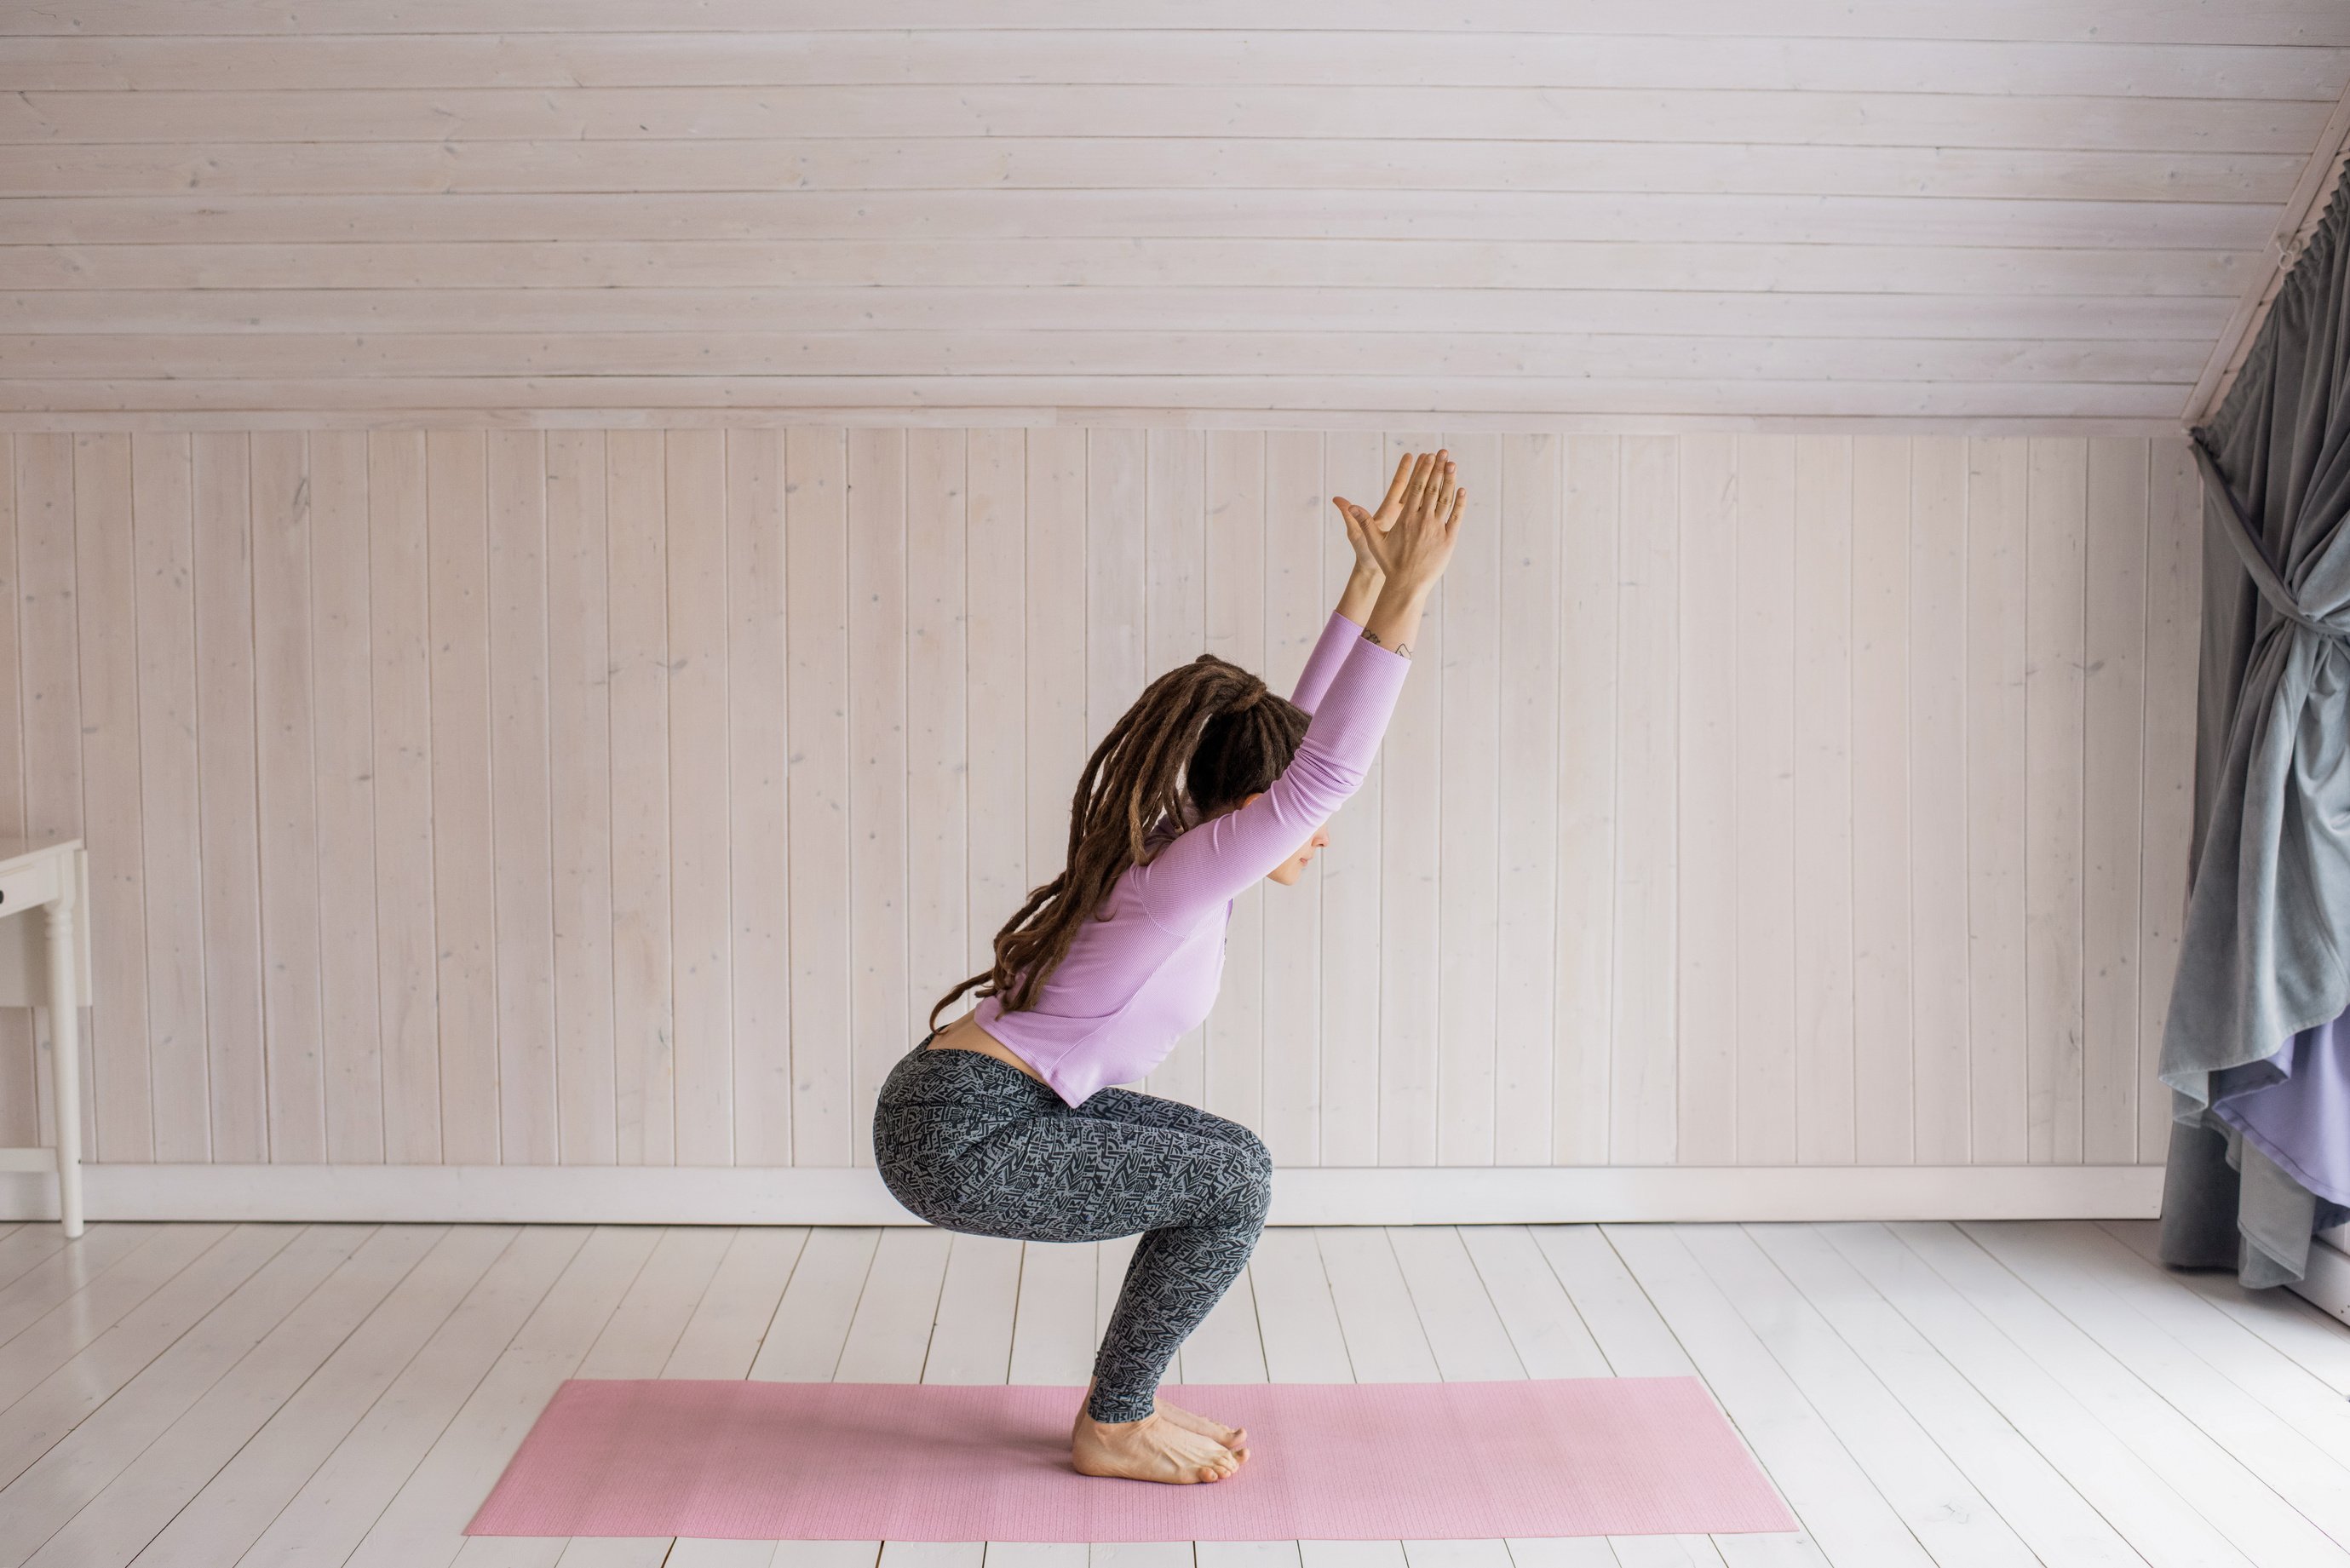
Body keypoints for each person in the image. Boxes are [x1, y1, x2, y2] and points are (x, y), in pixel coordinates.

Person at [871, 449, 1467, 1485]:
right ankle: (1114, 1420)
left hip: (984, 1102)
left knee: (1235, 1158)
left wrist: (1363, 585)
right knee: (1233, 1180)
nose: (1317, 833)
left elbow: (1299, 739)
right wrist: (1411, 593)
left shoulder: (1188, 848)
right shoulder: (1186, 871)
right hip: (959, 1130)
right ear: (1249, 809)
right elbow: (1325, 767)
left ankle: (1119, 1404)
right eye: (1299, 819)